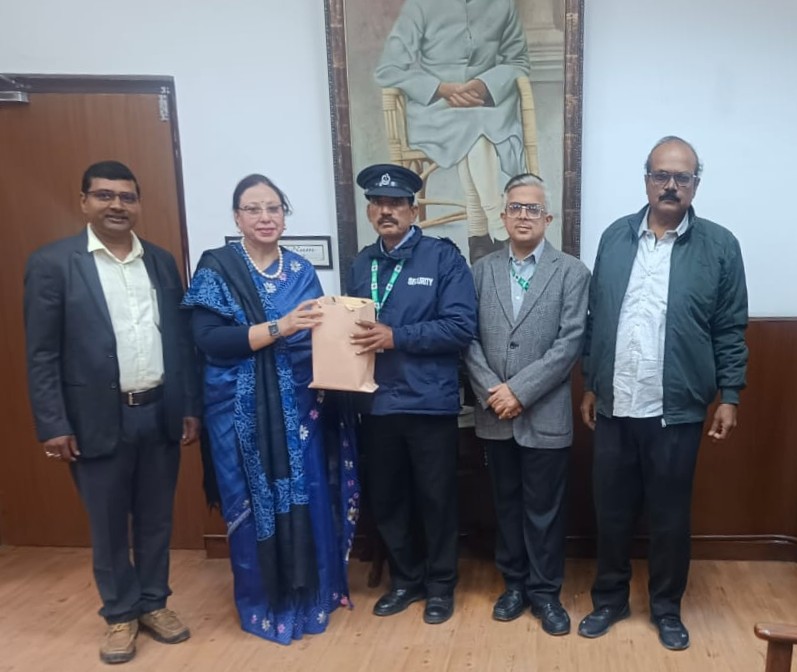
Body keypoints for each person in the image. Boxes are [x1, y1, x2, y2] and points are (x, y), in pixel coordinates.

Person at [24, 160, 200, 664]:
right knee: (107, 524)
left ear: (138, 203)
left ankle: (154, 603)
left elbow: (180, 341)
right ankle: (120, 613)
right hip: (94, 418)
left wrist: (187, 406)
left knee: (154, 520)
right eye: (104, 196)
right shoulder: (54, 263)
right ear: (84, 202)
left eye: (126, 196)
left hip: (158, 411)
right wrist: (53, 422)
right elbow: (41, 353)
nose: (116, 205)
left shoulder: (162, 262)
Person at [578, 136, 749, 651]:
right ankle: (609, 600)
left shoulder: (720, 246)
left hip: (676, 409)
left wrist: (731, 394)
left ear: (696, 183)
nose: (671, 185)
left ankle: (666, 608)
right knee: (610, 511)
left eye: (683, 177)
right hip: (614, 403)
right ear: (646, 179)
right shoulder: (614, 237)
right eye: (661, 175)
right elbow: (596, 320)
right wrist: (590, 384)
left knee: (670, 517)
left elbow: (730, 327)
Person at [181, 174, 359, 645]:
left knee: (309, 498)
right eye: (254, 209)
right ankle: (264, 605)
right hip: (239, 414)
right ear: (237, 216)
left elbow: (320, 339)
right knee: (254, 504)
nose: (265, 218)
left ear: (285, 215)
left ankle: (313, 598)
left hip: (301, 408)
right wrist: (279, 327)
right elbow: (209, 341)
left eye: (274, 208)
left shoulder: (301, 271)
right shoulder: (217, 269)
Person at [349, 163, 477, 625]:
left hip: (429, 403)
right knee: (388, 497)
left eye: (397, 203)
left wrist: (395, 337)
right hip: (377, 404)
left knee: (436, 498)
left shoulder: (443, 258)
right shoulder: (361, 264)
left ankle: (441, 585)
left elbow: (461, 327)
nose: (387, 211)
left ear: (413, 208)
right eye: (379, 204)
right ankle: (405, 580)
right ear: (369, 211)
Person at [465, 173, 590, 635]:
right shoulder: (481, 271)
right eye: (515, 208)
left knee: (545, 510)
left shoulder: (572, 272)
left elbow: (570, 341)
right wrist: (493, 391)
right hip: (493, 412)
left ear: (548, 218)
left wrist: (519, 390)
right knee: (506, 505)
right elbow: (468, 338)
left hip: (545, 414)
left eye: (532, 209)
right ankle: (513, 585)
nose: (523, 216)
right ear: (502, 216)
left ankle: (545, 592)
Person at [375, 0, 530, 261]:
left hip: (485, 103)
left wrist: (484, 84)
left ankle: (479, 237)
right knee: (479, 131)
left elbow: (519, 60)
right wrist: (441, 88)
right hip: (436, 110)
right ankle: (499, 228)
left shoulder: (502, 5)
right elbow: (389, 68)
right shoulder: (421, 6)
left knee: (479, 128)